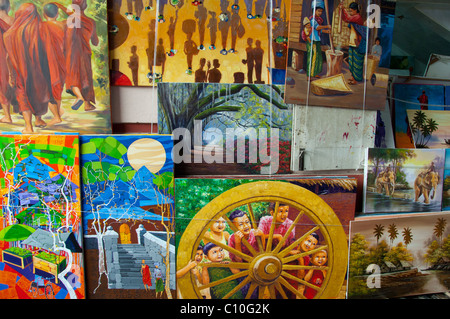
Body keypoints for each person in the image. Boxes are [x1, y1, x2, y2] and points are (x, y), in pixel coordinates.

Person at [3, 3, 55, 133]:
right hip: (40, 71)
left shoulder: (9, 34)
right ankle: (38, 119)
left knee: (23, 94)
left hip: (20, 72)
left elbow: (8, 57)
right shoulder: (41, 30)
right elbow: (49, 51)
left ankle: (28, 126)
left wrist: (11, 74)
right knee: (39, 93)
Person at [63, 0, 98, 111]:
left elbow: (66, 37)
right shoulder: (91, 22)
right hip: (85, 51)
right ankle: (87, 104)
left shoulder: (69, 20)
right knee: (85, 76)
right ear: (85, 6)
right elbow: (95, 42)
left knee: (72, 75)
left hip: (72, 51)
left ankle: (79, 96)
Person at [41, 2, 67, 126]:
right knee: (58, 88)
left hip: (48, 61)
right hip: (62, 60)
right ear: (57, 14)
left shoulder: (42, 26)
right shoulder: (63, 25)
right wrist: (61, 6)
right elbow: (75, 16)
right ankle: (58, 112)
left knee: (50, 89)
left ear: (44, 14)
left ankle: (56, 116)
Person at [340, 1, 367, 85]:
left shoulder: (358, 17)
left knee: (357, 62)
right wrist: (341, 10)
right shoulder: (353, 17)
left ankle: (357, 79)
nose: (350, 12)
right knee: (351, 62)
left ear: (356, 10)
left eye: (351, 11)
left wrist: (343, 9)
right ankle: (353, 76)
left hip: (357, 43)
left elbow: (347, 18)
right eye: (350, 11)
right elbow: (344, 18)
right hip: (352, 43)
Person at [305, 0, 331, 80]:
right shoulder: (312, 20)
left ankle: (315, 73)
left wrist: (326, 31)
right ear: (314, 10)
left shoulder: (318, 20)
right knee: (313, 57)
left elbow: (319, 30)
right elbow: (317, 27)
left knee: (318, 58)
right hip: (312, 41)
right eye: (318, 11)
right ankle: (309, 75)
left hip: (317, 40)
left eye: (321, 11)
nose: (320, 13)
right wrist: (327, 26)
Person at [0, 0, 13, 124]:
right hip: (14, 56)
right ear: (9, 7)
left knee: (2, 85)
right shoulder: (14, 21)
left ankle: (7, 116)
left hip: (1, 57)